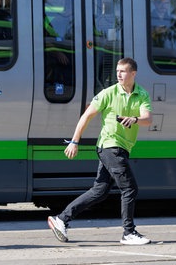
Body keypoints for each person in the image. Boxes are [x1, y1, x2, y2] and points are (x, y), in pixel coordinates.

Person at [47, 57, 153, 246]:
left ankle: (61, 219)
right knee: (130, 188)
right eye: (117, 71)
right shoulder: (108, 93)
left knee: (100, 190)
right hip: (109, 146)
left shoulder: (142, 94)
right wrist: (74, 141)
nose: (118, 74)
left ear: (133, 74)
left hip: (122, 147)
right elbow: (87, 116)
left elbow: (147, 119)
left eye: (123, 71)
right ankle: (129, 232)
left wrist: (135, 119)